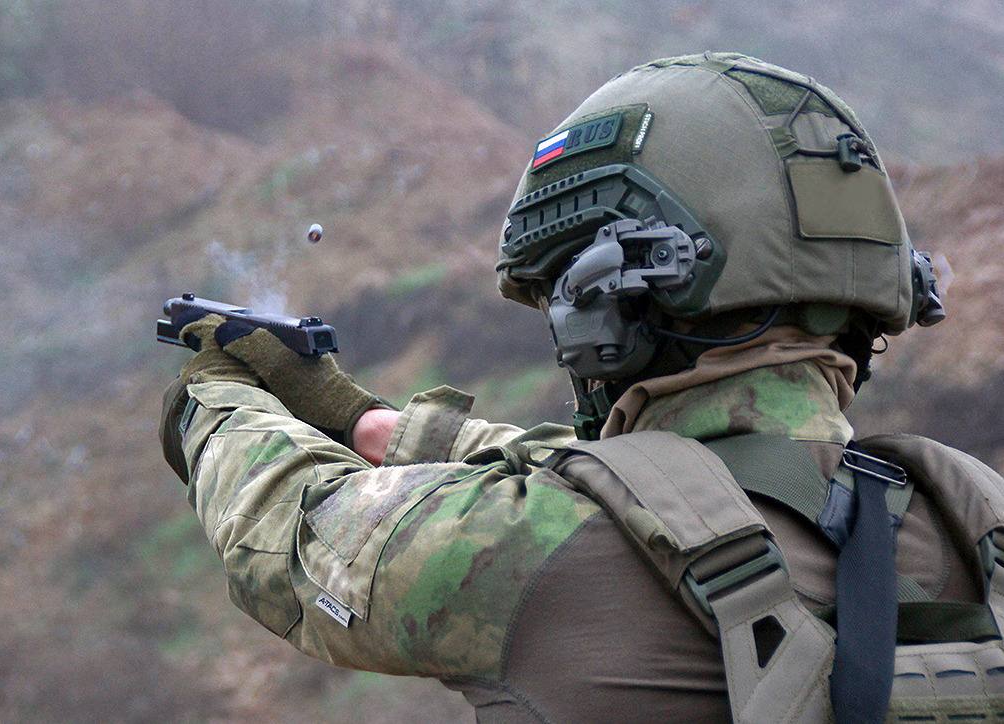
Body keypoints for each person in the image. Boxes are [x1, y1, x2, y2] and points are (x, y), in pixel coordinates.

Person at [160, 52, 1004, 722]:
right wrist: (358, 417)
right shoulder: (968, 518)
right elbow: (650, 486)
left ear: (613, 304)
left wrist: (209, 402)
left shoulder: (535, 549)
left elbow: (289, 532)